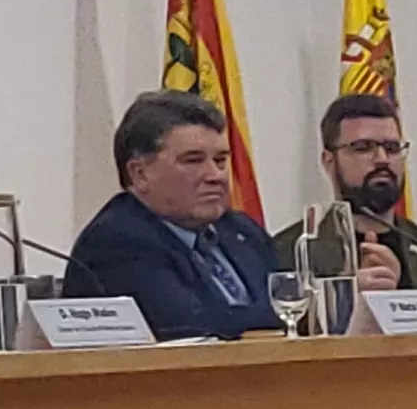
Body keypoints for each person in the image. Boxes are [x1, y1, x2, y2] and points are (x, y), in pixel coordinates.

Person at [63, 91, 284, 340]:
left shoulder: (241, 230)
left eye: (220, 160)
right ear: (140, 174)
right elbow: (190, 325)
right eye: (193, 161)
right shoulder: (117, 241)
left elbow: (293, 298)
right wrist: (285, 315)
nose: (216, 176)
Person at [283, 93, 417, 314]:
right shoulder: (291, 250)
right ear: (329, 161)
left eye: (392, 148)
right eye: (363, 147)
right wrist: (346, 297)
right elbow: (279, 329)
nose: (382, 159)